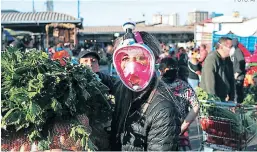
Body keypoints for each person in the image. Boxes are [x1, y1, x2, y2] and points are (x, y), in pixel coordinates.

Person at [97, 22, 181, 151]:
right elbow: (111, 82)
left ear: (156, 60)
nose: (132, 66)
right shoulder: (123, 88)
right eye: (125, 58)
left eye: (141, 58)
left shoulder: (163, 109)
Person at [158, 57, 199, 150]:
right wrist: (185, 125)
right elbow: (196, 105)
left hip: (161, 132)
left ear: (161, 71)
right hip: (178, 131)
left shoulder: (156, 86)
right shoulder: (184, 85)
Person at [200, 37, 234, 101]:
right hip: (210, 98)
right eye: (230, 47)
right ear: (221, 47)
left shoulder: (228, 60)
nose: (233, 49)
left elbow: (231, 79)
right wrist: (213, 99)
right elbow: (209, 81)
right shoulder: (212, 58)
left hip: (222, 97)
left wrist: (232, 98)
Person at [231, 38, 246, 103]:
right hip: (237, 74)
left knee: (238, 92)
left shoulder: (238, 51)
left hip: (238, 75)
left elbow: (242, 62)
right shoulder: (235, 50)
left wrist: (237, 72)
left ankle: (238, 106)